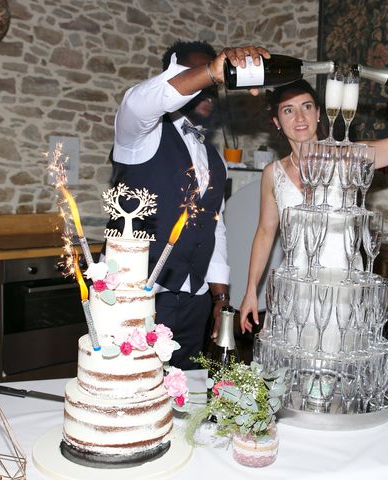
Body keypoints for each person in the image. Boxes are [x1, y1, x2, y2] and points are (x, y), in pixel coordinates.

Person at [108, 40, 269, 369]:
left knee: (187, 399)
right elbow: (139, 102)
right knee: (131, 394)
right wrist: (210, 71)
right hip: (138, 300)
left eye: (215, 84)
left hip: (195, 301)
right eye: (196, 76)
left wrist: (220, 297)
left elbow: (215, 227)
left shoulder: (215, 158)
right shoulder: (138, 134)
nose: (209, 89)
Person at [239, 69, 388, 334]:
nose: (299, 117)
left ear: (319, 113)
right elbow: (265, 233)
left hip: (342, 289)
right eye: (288, 110)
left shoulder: (348, 157)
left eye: (306, 107)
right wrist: (251, 290)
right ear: (276, 121)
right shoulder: (272, 173)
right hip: (295, 288)